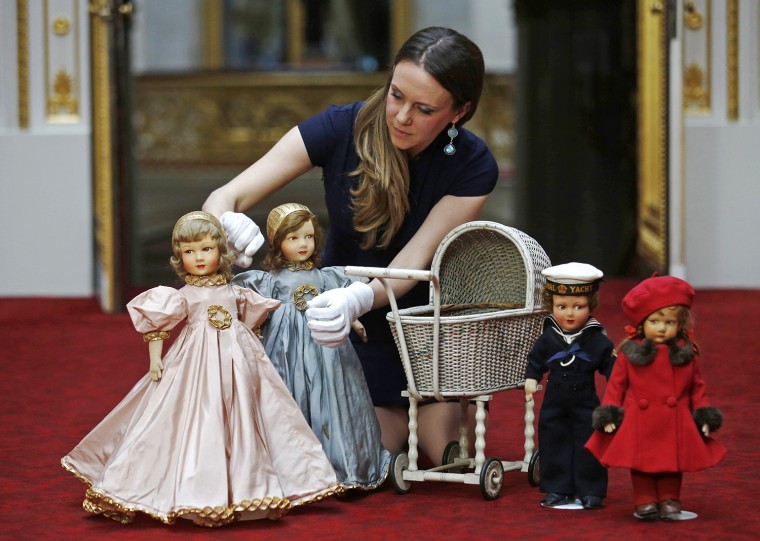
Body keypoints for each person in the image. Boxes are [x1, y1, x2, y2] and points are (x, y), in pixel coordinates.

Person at [203, 26, 498, 463]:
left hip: (414, 325)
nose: (401, 117)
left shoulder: (473, 166)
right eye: (396, 95)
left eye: (424, 108)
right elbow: (225, 196)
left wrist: (357, 297)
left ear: (458, 112)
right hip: (333, 328)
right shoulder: (340, 126)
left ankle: (436, 409)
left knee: (399, 452)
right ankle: (424, 418)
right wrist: (226, 220)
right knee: (329, 448)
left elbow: (411, 264)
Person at [61, 211, 341, 527]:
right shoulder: (184, 294)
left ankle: (253, 485)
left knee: (254, 415)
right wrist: (156, 359)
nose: (198, 257)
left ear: (221, 251)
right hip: (196, 362)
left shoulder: (234, 290)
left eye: (206, 249)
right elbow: (158, 326)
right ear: (179, 256)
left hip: (239, 361)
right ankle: (197, 489)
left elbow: (254, 323)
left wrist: (257, 355)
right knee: (196, 415)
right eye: (189, 251)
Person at [233, 203, 391, 490]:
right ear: (277, 241)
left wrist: (352, 318)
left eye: (308, 236)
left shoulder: (327, 277)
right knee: (290, 397)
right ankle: (293, 473)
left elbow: (346, 298)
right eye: (293, 238)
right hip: (285, 349)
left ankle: (342, 469)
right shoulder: (269, 281)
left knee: (334, 399)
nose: (303, 244)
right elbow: (250, 306)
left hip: (327, 347)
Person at [585, 275, 726, 521]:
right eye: (655, 321)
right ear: (641, 323)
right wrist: (610, 412)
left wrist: (703, 414)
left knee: (672, 461)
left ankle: (670, 499)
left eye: (669, 322)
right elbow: (616, 386)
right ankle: (645, 500)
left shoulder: (685, 354)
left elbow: (697, 388)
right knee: (640, 463)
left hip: (675, 417)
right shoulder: (630, 353)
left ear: (680, 324)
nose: (662, 328)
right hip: (640, 417)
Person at [524, 263, 616, 510]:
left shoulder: (596, 338)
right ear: (551, 306)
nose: (570, 313)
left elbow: (609, 364)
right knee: (554, 441)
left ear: (590, 305)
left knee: (590, 442)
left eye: (579, 306)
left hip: (585, 398)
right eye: (561, 307)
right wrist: (532, 377)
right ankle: (557, 487)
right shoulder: (549, 335)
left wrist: (618, 383)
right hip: (554, 398)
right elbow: (536, 358)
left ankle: (591, 490)